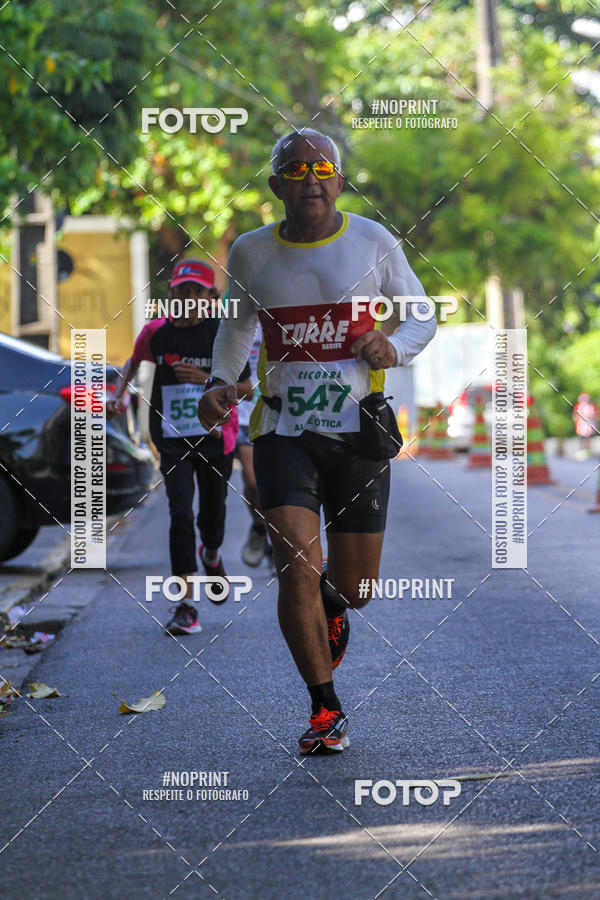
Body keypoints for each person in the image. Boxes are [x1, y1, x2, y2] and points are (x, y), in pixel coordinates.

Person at [198, 129, 436, 753]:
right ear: (276, 184)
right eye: (295, 169)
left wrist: (395, 346)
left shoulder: (372, 240)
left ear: (339, 179)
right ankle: (325, 709)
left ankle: (332, 598)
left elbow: (422, 313)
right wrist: (222, 382)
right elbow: (236, 327)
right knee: (295, 567)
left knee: (356, 590)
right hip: (283, 431)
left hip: (358, 431)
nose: (311, 178)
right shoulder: (251, 253)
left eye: (323, 166)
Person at [107, 259, 252, 635]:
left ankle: (213, 554)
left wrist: (207, 378)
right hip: (171, 438)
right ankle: (185, 604)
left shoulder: (224, 333)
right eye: (182, 290)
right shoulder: (157, 333)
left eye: (196, 291)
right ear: (171, 294)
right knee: (180, 514)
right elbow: (134, 361)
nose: (188, 297)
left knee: (211, 516)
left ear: (210, 297)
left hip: (217, 436)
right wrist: (119, 395)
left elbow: (249, 386)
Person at [235, 323, 272, 566]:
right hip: (245, 412)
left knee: (278, 481)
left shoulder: (279, 306)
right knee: (252, 480)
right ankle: (260, 529)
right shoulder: (238, 310)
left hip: (274, 408)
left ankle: (280, 545)